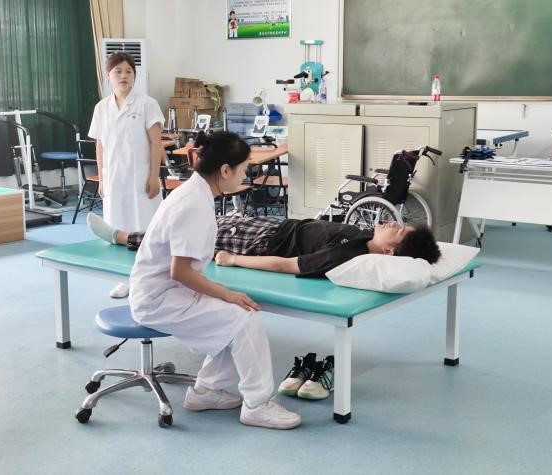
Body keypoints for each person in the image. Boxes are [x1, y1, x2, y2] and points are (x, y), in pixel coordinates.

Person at [128, 131, 302, 430]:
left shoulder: (195, 193)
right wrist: (224, 293)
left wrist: (223, 296)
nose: (245, 174)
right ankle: (257, 405)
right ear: (225, 170)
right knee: (244, 319)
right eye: (244, 168)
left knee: (234, 318)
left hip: (166, 291)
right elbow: (180, 271)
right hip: (159, 299)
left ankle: (205, 392)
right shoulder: (193, 204)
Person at [88, 214, 441, 279]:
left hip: (259, 242)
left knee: (190, 235)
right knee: (200, 220)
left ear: (390, 252)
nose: (392, 223)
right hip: (272, 226)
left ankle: (123, 237)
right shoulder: (365, 237)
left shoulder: (350, 256)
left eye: (398, 230)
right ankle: (138, 240)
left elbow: (289, 265)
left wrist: (234, 260)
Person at [88, 51, 165, 299]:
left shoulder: (146, 104)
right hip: (113, 179)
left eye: (129, 71)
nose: (124, 76)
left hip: (141, 179)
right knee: (117, 230)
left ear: (135, 76)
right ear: (108, 75)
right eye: (118, 71)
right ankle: (125, 279)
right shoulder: (102, 108)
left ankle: (151, 281)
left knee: (146, 230)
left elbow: (156, 143)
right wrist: (101, 178)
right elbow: (100, 145)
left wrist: (154, 176)